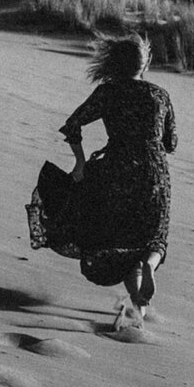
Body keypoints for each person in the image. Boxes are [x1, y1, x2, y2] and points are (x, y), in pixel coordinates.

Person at [34, 34, 177, 328]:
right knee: (154, 235)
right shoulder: (160, 95)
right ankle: (147, 274)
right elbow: (171, 143)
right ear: (146, 62)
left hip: (117, 169)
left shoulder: (108, 92)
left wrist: (81, 162)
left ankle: (137, 301)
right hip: (154, 172)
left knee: (118, 238)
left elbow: (73, 124)